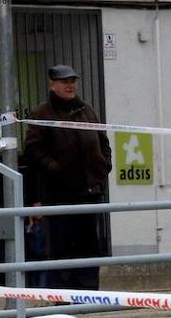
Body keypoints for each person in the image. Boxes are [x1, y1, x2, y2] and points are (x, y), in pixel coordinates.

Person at [23, 64, 112, 291]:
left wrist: (103, 167)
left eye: (72, 81)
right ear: (52, 84)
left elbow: (103, 141)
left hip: (90, 191)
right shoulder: (41, 114)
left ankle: (89, 295)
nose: (70, 85)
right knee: (62, 247)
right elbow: (33, 153)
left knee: (90, 246)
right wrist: (55, 168)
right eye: (64, 81)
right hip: (59, 193)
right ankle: (63, 300)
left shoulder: (86, 110)